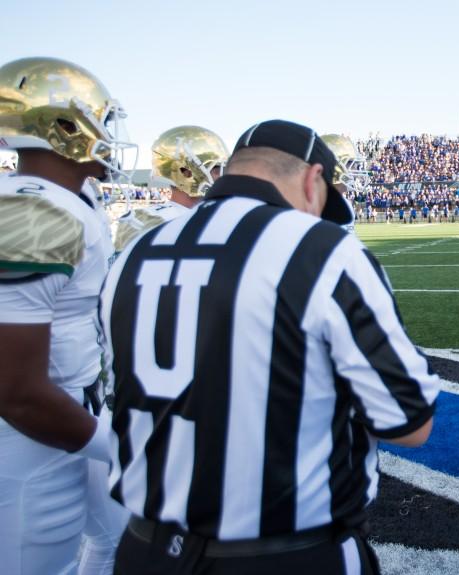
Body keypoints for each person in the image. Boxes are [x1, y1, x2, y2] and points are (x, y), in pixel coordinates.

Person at [100, 120, 440, 574]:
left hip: (145, 548)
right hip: (283, 553)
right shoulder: (322, 249)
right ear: (311, 178)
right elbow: (410, 422)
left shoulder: (135, 250)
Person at [0, 56, 135, 575]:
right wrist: (119, 446)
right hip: (31, 436)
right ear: (63, 128)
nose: (109, 135)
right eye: (100, 120)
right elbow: (16, 389)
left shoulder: (65, 201)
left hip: (68, 416)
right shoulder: (35, 212)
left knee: (118, 538)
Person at [115, 125, 228, 252]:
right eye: (216, 170)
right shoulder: (149, 220)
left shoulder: (219, 216)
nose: (223, 176)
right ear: (186, 172)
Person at [321, 133, 370, 234]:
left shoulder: (345, 203)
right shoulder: (313, 206)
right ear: (333, 164)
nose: (354, 169)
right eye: (349, 163)